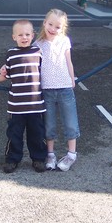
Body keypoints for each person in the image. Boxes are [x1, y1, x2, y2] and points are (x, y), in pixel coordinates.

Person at [0, 19, 47, 174]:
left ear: (33, 35)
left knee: (37, 134)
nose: (24, 37)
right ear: (14, 37)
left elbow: (47, 72)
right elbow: (6, 75)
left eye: (27, 34)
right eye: (20, 35)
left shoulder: (38, 52)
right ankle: (12, 160)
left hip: (36, 105)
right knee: (14, 134)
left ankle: (38, 159)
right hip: (16, 106)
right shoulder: (11, 54)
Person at [35, 9, 80, 172]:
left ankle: (71, 154)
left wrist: (72, 78)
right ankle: (51, 154)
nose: (53, 29)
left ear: (63, 28)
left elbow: (69, 61)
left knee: (70, 122)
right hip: (46, 89)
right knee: (49, 124)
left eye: (58, 26)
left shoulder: (64, 41)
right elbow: (32, 65)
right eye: (50, 24)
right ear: (44, 23)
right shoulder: (38, 44)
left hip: (64, 88)